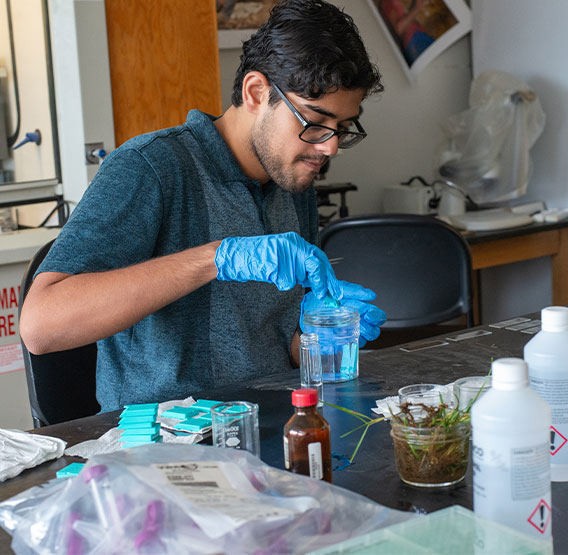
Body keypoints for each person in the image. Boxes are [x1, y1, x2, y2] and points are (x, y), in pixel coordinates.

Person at [19, 0, 385, 412]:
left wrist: (321, 333)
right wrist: (215, 258)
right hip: (164, 450)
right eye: (316, 121)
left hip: (271, 423)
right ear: (256, 92)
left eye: (341, 128)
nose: (330, 146)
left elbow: (287, 353)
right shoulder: (151, 168)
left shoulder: (293, 176)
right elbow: (41, 325)